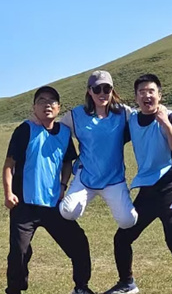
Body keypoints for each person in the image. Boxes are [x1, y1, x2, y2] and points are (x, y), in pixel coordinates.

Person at [102, 74, 172, 294]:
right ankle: (127, 283)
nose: (147, 95)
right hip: (146, 190)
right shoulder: (133, 121)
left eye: (151, 91)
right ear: (136, 97)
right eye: (142, 92)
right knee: (122, 237)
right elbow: (112, 140)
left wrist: (165, 124)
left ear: (159, 95)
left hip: (170, 186)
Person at [2, 86, 100, 294]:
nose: (47, 104)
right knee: (19, 251)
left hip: (53, 204)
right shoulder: (24, 130)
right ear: (34, 107)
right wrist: (8, 193)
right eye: (41, 101)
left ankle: (81, 288)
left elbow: (68, 161)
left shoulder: (64, 133)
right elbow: (9, 165)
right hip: (24, 204)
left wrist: (63, 185)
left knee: (78, 242)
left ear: (58, 108)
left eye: (52, 101)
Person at [58, 71, 138, 229]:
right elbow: (55, 130)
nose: (102, 93)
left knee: (128, 221)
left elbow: (144, 120)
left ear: (112, 90)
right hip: (86, 176)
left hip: (114, 178)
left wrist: (164, 113)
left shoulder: (123, 112)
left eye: (106, 89)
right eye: (97, 89)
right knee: (68, 211)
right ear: (89, 91)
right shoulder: (75, 115)